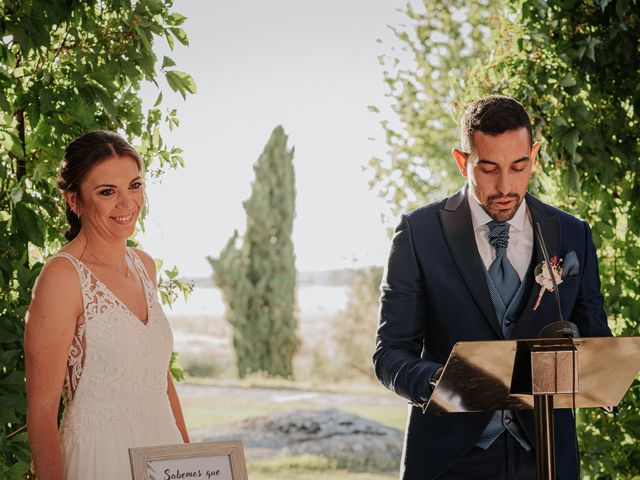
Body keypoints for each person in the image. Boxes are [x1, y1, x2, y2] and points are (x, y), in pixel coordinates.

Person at [373, 95, 611, 480]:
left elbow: (596, 339)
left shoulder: (572, 234)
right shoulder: (420, 233)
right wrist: (440, 382)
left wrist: (598, 368)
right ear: (462, 161)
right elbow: (389, 355)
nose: (505, 186)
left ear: (534, 156)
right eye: (488, 169)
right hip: (449, 461)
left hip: (546, 458)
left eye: (519, 167)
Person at [25, 131, 189, 480]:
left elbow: (159, 378)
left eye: (134, 185)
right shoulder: (62, 278)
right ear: (74, 200)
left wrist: (192, 461)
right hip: (100, 458)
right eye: (107, 192)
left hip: (162, 455)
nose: (127, 203)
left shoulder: (145, 266)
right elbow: (41, 411)